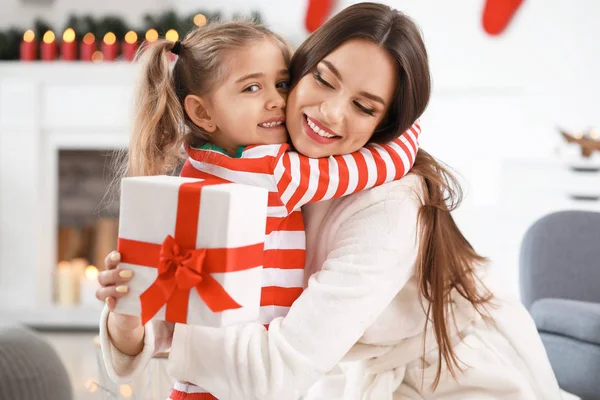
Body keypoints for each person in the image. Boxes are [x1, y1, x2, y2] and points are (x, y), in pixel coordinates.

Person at [99, 3, 562, 399]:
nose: (330, 112)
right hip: (353, 372)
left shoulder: (389, 206)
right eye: (322, 79)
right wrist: (133, 315)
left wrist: (173, 339)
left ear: (386, 126)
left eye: (364, 106)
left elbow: (276, 371)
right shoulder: (271, 166)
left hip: (455, 381)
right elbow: (207, 294)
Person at [99, 18, 420, 400]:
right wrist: (408, 130)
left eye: (282, 84)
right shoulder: (277, 172)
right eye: (252, 87)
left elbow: (157, 324)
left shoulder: (193, 170)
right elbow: (379, 165)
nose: (276, 100)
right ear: (202, 113)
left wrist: (126, 315)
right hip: (244, 383)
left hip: (193, 386)